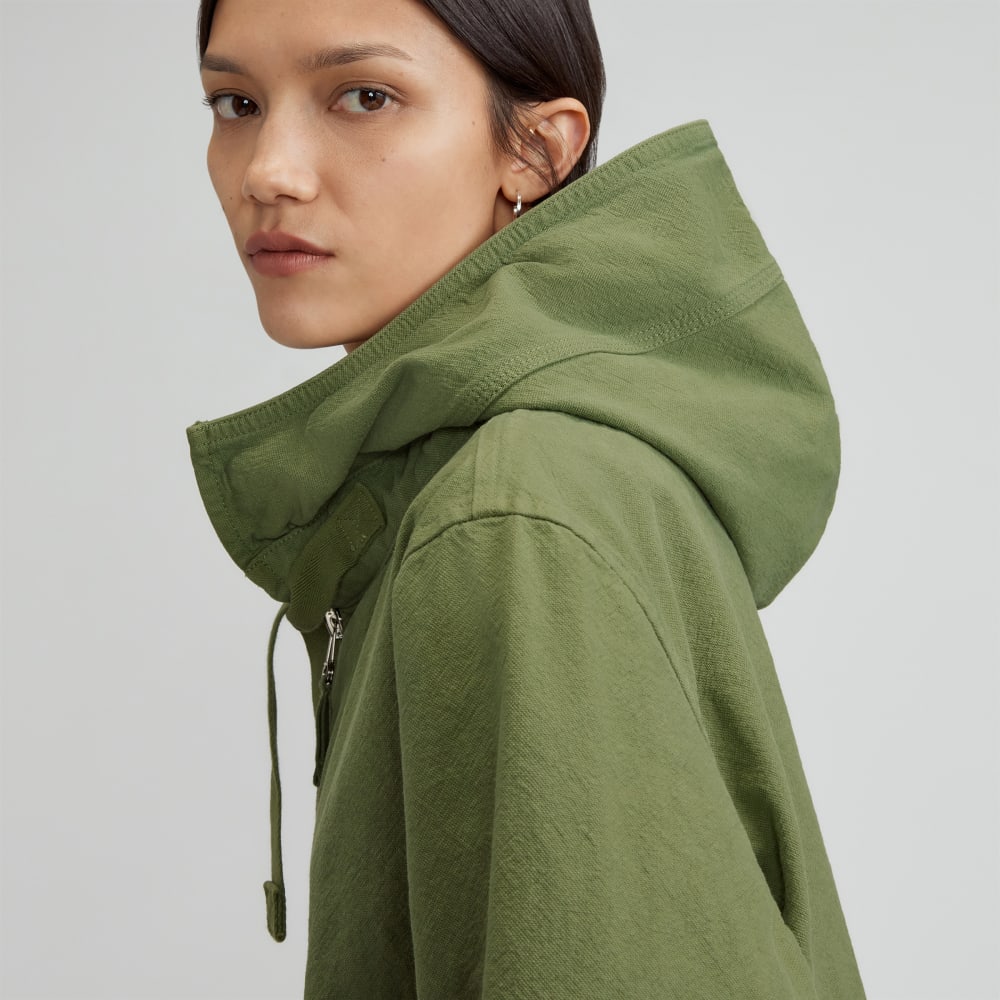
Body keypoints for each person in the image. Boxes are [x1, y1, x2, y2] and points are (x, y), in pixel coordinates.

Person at [187, 0, 867, 996]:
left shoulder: (507, 516)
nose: (268, 171)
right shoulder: (511, 471)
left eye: (364, 97)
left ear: (537, 153)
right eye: (237, 103)